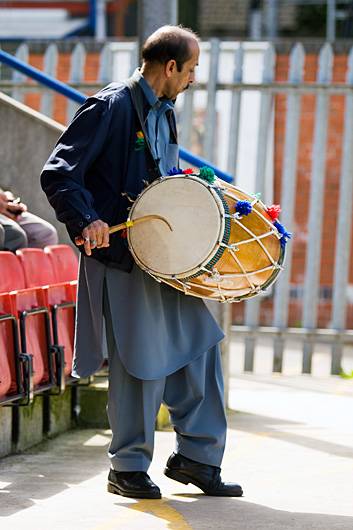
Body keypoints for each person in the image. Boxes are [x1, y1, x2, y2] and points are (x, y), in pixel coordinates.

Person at [40, 25, 243, 500]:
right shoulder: (109, 107)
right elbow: (60, 172)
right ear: (170, 67)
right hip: (121, 259)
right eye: (191, 70)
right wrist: (86, 218)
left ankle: (197, 459)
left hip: (167, 260)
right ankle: (127, 466)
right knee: (140, 363)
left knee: (199, 347)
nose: (193, 79)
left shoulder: (164, 112)